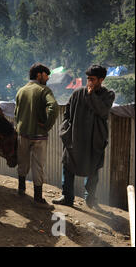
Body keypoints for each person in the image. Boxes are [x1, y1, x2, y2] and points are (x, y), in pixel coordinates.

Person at [53, 65, 115, 210]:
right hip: (75, 138)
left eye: (93, 79)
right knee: (68, 166)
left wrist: (91, 95)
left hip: (95, 141)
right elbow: (67, 114)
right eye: (88, 79)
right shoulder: (77, 93)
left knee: (93, 170)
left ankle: (90, 199)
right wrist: (65, 132)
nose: (90, 82)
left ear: (101, 79)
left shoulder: (108, 95)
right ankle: (67, 197)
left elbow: (102, 111)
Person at [15, 63, 59, 209]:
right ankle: (38, 198)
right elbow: (54, 107)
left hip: (22, 133)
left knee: (23, 162)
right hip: (38, 136)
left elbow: (16, 113)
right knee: (38, 166)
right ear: (39, 74)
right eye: (46, 75)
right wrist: (47, 126)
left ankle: (21, 190)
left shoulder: (21, 91)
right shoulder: (44, 90)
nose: (47, 78)